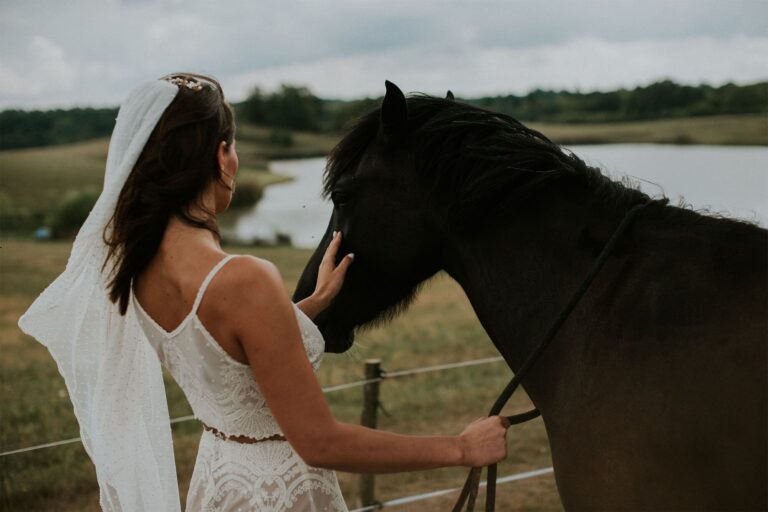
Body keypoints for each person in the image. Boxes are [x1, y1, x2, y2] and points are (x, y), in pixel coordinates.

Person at [18, 72, 509, 511]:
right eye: (232, 147)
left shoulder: (135, 267)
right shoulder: (244, 278)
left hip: (220, 482)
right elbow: (320, 442)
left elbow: (224, 353)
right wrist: (461, 447)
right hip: (283, 494)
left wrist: (308, 307)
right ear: (220, 155)